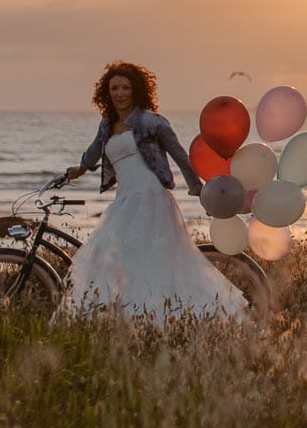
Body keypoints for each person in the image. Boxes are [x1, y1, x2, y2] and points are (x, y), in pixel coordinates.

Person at [61, 60, 246, 320]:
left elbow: (179, 154)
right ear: (106, 92)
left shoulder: (151, 122)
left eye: (126, 88)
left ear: (135, 90)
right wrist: (79, 169)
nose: (120, 93)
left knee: (152, 262)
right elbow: (93, 153)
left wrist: (197, 188)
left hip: (151, 197)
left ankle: (168, 317)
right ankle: (131, 319)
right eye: (114, 88)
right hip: (125, 199)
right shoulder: (106, 124)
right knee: (118, 260)